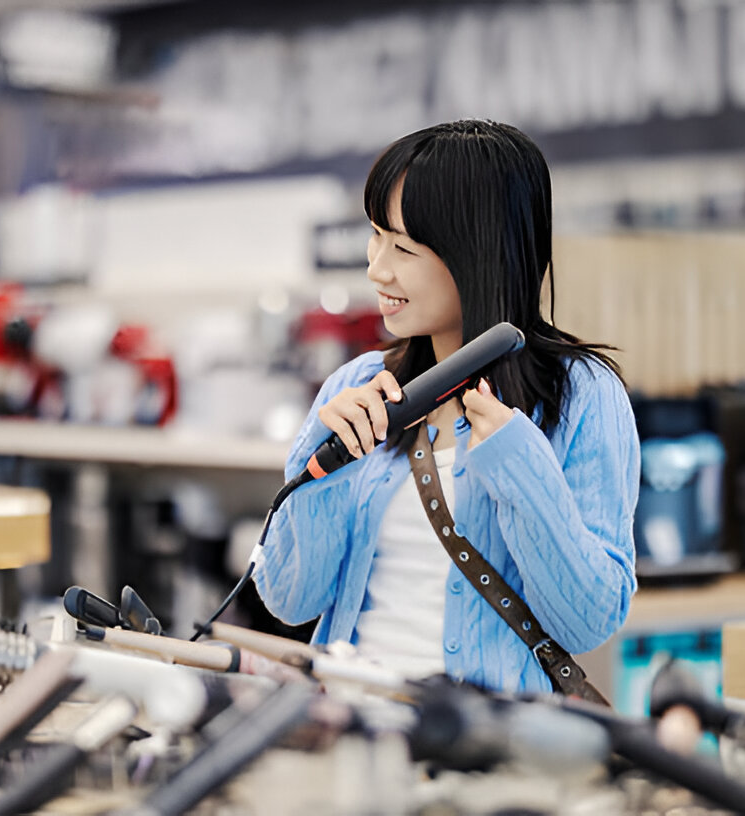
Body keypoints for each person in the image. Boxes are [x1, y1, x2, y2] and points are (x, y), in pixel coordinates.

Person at [253, 120, 640, 693]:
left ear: (478, 255)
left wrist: (519, 467)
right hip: (351, 738)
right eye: (376, 236)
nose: (377, 268)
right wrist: (324, 469)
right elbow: (288, 601)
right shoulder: (355, 386)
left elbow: (588, 623)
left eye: (404, 248)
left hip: (488, 754)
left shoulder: (581, 393)